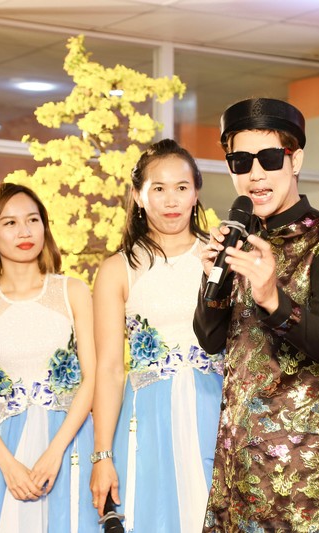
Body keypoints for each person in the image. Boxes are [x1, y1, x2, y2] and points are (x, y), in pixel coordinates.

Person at [194, 97, 319, 532]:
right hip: (237, 454)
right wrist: (212, 279)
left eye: (269, 158)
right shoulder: (237, 238)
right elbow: (210, 339)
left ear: (295, 160)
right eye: (241, 161)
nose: (255, 174)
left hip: (304, 461)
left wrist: (272, 298)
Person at [89, 139, 223, 532]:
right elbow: (109, 369)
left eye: (182, 187)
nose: (171, 200)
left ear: (196, 193)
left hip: (216, 411)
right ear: (138, 195)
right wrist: (102, 455)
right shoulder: (118, 269)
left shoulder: (220, 256)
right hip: (147, 420)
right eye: (159, 188)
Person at [0, 182, 97, 532]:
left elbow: (92, 378)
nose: (25, 231)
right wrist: (7, 465)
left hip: (71, 440)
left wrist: (55, 452)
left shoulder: (73, 291)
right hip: (5, 448)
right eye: (10, 223)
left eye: (33, 220)